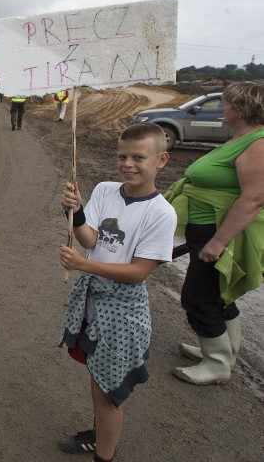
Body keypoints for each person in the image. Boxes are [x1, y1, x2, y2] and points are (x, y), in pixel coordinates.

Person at [58, 122, 176, 462]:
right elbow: (90, 239)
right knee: (98, 379)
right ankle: (99, 435)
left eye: (139, 157)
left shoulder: (161, 213)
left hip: (122, 314)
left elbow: (138, 273)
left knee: (109, 396)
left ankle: (103, 455)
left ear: (161, 160)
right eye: (122, 155)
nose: (128, 164)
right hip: (92, 301)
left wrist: (84, 265)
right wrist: (76, 211)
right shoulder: (107, 190)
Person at [164, 82, 264, 385]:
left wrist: (218, 242)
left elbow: (254, 199)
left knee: (197, 297)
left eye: (227, 103)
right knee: (218, 292)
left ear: (243, 108)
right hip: (208, 229)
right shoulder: (244, 138)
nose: (224, 108)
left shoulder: (258, 143)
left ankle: (217, 363)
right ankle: (225, 351)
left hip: (219, 232)